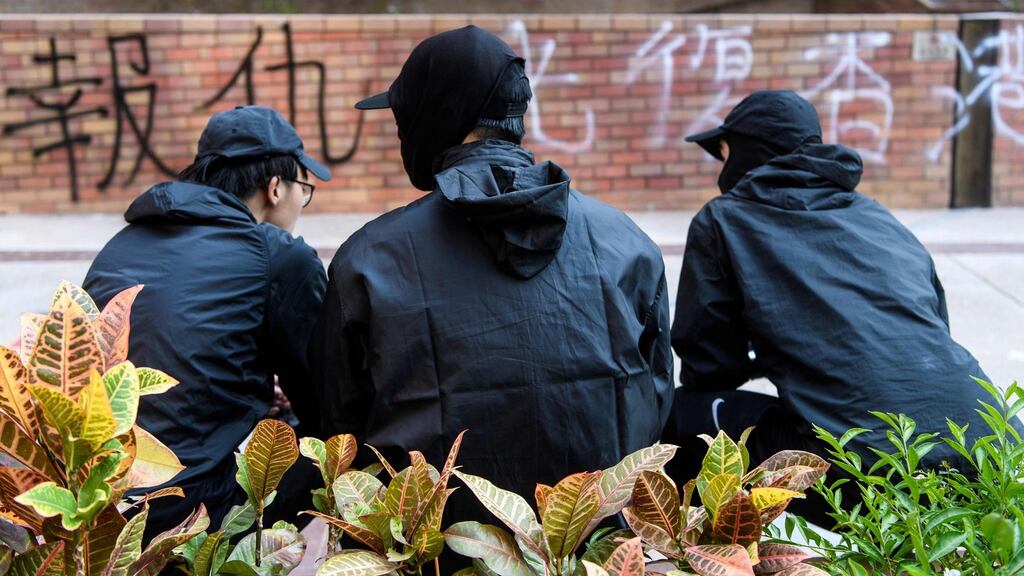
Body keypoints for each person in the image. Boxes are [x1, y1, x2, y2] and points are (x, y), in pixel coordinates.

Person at [309, 25, 673, 537]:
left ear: (435, 114)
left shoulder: (370, 258)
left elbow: (339, 429)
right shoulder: (626, 241)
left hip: (433, 552)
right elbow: (656, 397)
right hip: (594, 547)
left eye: (400, 115)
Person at [662, 90, 1001, 522]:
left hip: (866, 472)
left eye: (725, 154)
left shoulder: (725, 219)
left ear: (750, 152)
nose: (722, 171)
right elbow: (930, 327)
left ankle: (709, 557)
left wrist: (772, 352)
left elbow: (709, 364)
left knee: (674, 415)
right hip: (994, 452)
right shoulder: (878, 217)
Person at [83, 105, 330, 540]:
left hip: (97, 501)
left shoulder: (121, 244)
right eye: (303, 188)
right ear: (275, 187)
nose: (301, 203)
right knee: (329, 446)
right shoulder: (277, 255)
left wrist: (249, 392)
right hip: (192, 511)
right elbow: (325, 396)